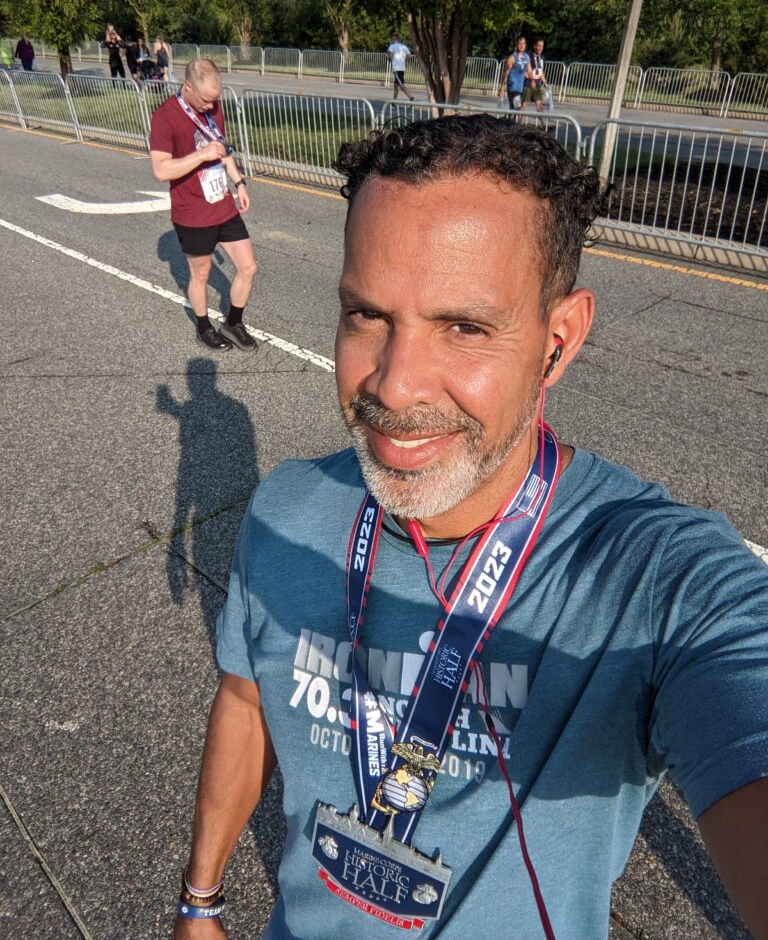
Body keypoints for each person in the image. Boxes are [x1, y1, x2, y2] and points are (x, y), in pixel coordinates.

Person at [171, 116, 768, 939]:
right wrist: (200, 900)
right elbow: (244, 700)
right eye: (366, 316)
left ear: (558, 342)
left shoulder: (651, 574)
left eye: (465, 327)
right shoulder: (286, 510)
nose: (396, 383)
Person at [150, 58, 258, 352]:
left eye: (216, 100)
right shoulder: (165, 117)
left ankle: (233, 323)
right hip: (192, 211)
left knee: (247, 267)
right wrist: (200, 155)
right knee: (201, 273)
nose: (212, 107)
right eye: (206, 101)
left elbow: (222, 149)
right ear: (187, 87)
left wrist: (239, 183)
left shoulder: (214, 107)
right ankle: (204, 327)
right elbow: (161, 170)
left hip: (221, 204)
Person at [498, 34, 529, 111]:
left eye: (523, 44)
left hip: (521, 87)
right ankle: (511, 122)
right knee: (517, 108)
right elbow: (505, 73)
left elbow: (528, 71)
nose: (522, 46)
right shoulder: (512, 58)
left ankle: (507, 122)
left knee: (514, 109)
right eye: (520, 43)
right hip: (513, 87)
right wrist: (502, 87)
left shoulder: (526, 57)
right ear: (516, 45)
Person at [522, 36, 548, 112]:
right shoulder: (528, 56)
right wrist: (531, 80)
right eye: (539, 46)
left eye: (542, 46)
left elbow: (540, 71)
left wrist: (545, 82)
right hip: (528, 84)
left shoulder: (542, 58)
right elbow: (526, 70)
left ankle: (543, 124)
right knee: (523, 106)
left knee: (539, 106)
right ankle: (515, 122)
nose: (540, 48)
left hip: (537, 85)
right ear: (535, 46)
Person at [387, 33, 414, 102]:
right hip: (402, 68)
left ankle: (410, 97)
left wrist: (389, 58)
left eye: (393, 39)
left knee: (401, 84)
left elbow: (390, 55)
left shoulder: (392, 46)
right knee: (396, 85)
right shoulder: (404, 47)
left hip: (396, 68)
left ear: (396, 39)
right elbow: (410, 56)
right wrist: (404, 60)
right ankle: (394, 101)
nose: (392, 41)